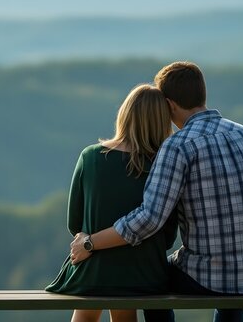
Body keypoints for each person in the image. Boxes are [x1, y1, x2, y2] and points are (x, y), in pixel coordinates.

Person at [69, 62, 243, 322]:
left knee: (152, 276)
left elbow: (149, 219)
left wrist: (90, 242)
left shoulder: (178, 146)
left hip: (211, 278)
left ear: (169, 105)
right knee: (231, 271)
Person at [45, 84, 179, 322]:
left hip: (93, 270)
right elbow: (167, 237)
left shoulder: (90, 157)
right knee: (123, 297)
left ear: (125, 114)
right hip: (145, 276)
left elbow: (74, 223)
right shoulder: (163, 165)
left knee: (91, 299)